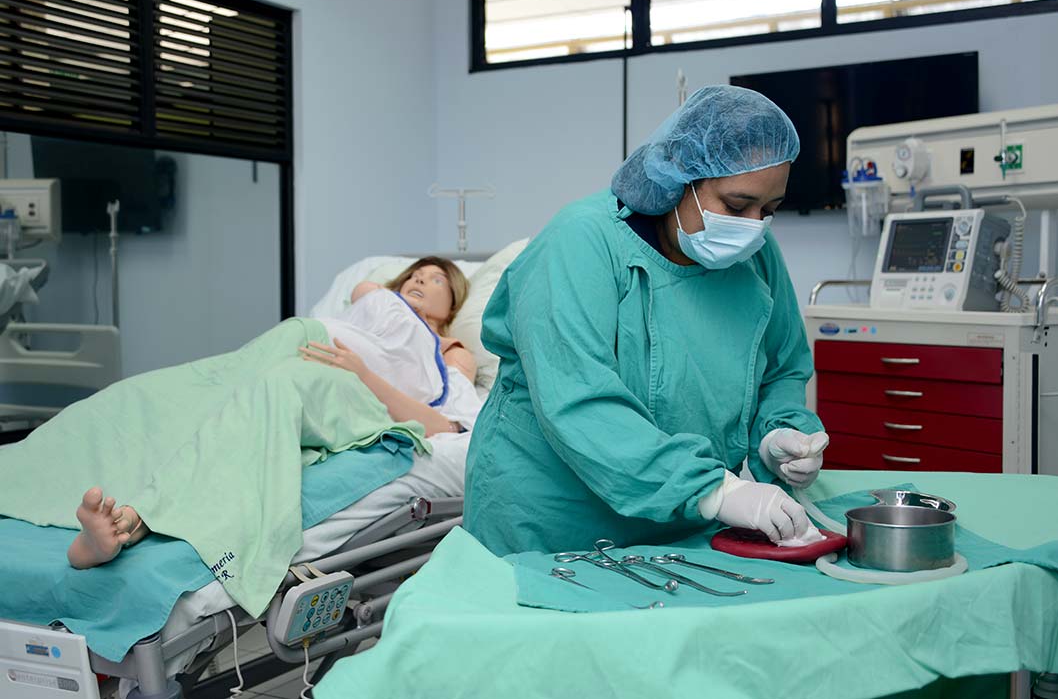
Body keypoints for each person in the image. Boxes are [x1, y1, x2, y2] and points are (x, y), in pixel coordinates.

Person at [464, 85, 830, 556]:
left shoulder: (755, 257)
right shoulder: (581, 242)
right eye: (737, 207)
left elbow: (783, 366)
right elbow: (579, 401)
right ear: (679, 180)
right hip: (554, 515)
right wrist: (717, 490)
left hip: (677, 514)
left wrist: (779, 433)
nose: (753, 225)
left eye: (769, 211)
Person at [66, 257, 480, 570]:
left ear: (453, 305)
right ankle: (114, 500)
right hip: (300, 348)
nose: (419, 279)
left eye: (436, 278)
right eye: (413, 275)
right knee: (160, 396)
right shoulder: (376, 308)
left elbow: (449, 425)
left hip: (342, 387)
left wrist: (366, 374)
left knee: (269, 396)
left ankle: (133, 521)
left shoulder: (449, 355)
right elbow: (365, 291)